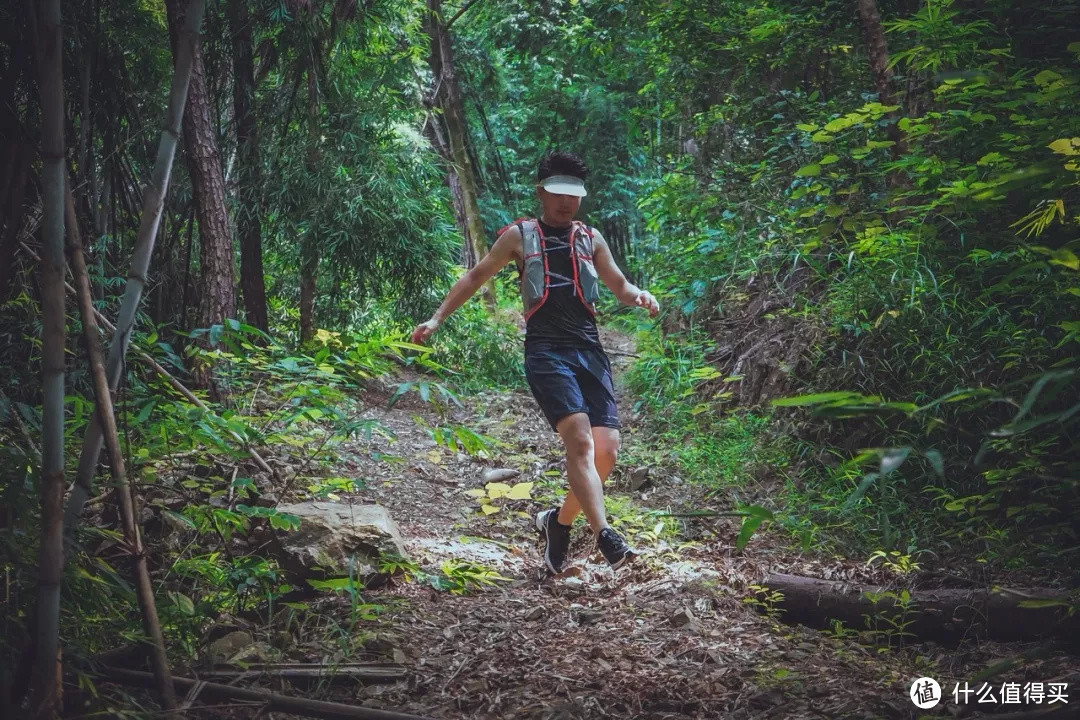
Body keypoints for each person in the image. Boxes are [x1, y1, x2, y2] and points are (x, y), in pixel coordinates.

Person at [411, 151, 660, 574]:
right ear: (541, 191)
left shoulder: (591, 238)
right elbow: (475, 276)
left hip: (589, 348)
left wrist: (639, 295)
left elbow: (618, 284)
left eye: (574, 195)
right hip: (545, 349)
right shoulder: (519, 236)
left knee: (607, 453)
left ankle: (557, 524)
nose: (567, 203)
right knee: (579, 441)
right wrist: (437, 317)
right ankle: (605, 536)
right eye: (558, 194)